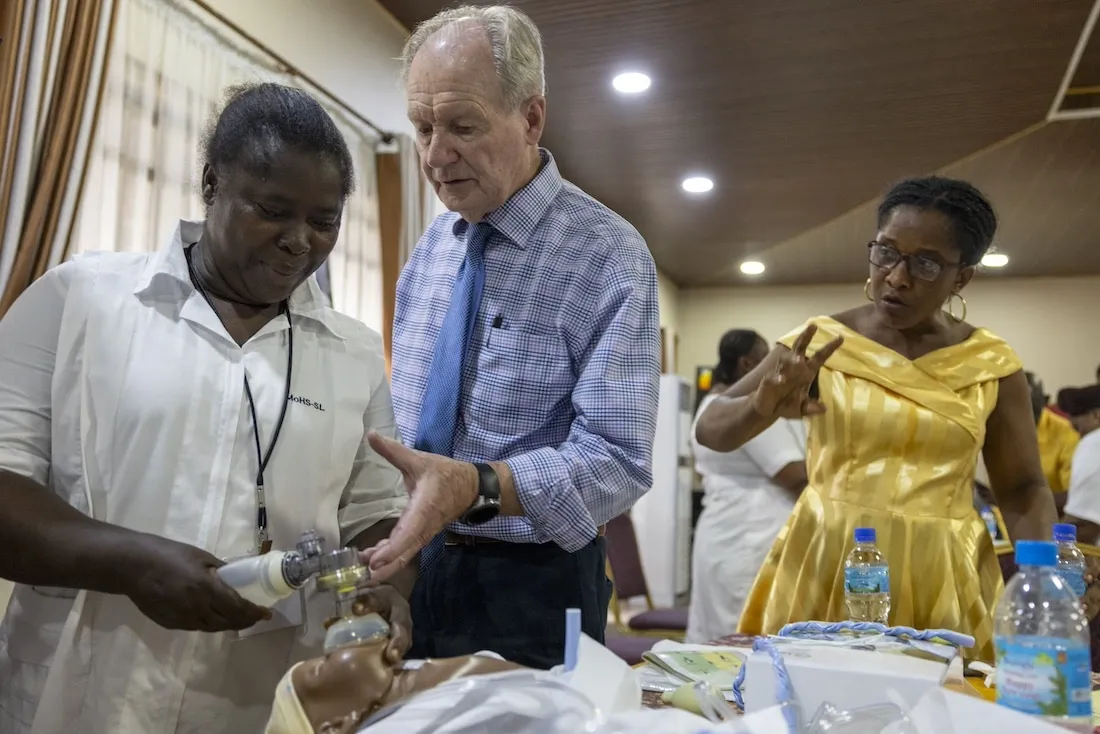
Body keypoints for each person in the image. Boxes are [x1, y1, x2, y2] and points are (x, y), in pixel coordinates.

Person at [0, 83, 414, 733]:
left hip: (264, 701)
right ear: (212, 183)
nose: (299, 241)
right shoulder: (78, 301)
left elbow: (375, 516)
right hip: (84, 695)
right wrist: (131, 564)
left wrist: (385, 588)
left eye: (324, 220)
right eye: (273, 209)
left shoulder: (353, 352)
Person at [361, 5, 661, 669]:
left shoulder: (608, 255)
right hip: (419, 568)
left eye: (462, 126)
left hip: (534, 587)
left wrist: (478, 486)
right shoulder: (431, 252)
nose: (436, 155)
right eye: (422, 128)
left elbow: (617, 459)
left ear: (531, 117)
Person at [695, 176, 1056, 662]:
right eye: (885, 252)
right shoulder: (822, 343)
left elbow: (1023, 489)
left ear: (962, 277)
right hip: (830, 556)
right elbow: (711, 427)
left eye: (925, 264)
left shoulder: (990, 364)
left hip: (942, 568)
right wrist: (761, 405)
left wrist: (1045, 579)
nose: (897, 276)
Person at [686, 330, 807, 643]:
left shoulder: (711, 403)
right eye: (768, 358)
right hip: (748, 538)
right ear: (747, 363)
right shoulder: (743, 408)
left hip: (728, 532)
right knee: (743, 635)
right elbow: (794, 475)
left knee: (721, 634)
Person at [1026, 371, 1079, 510]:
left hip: (1052, 516)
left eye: (1030, 409)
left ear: (1045, 401)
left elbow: (1074, 496)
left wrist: (1025, 501)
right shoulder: (999, 427)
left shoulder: (1067, 434)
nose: (1024, 417)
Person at [1059, 386, 1100, 545]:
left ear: (1096, 416)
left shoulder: (1093, 444)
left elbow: (1083, 524)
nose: (1077, 435)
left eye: (1077, 428)